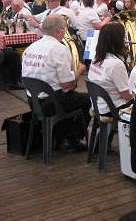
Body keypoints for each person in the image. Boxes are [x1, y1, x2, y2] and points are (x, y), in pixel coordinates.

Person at [21, 14, 91, 152]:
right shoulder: (59, 49)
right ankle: (70, 140)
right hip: (53, 103)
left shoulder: (30, 48)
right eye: (64, 29)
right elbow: (66, 84)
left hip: (33, 102)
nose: (65, 32)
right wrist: (80, 71)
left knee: (73, 98)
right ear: (58, 30)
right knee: (91, 100)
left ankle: (57, 137)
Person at [88, 24, 133, 115]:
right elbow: (127, 96)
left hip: (98, 105)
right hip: (112, 108)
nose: (125, 40)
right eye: (123, 37)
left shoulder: (96, 58)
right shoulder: (116, 64)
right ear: (117, 40)